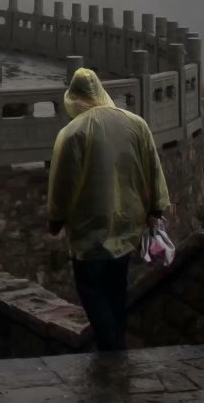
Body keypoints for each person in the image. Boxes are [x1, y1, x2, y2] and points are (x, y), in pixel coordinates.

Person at [47, 67, 171, 353]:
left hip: (89, 230)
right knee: (116, 290)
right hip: (127, 226)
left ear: (73, 97)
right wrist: (157, 207)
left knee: (91, 290)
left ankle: (112, 348)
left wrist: (55, 218)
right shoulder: (135, 123)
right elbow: (153, 168)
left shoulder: (73, 133)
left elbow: (63, 182)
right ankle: (116, 345)